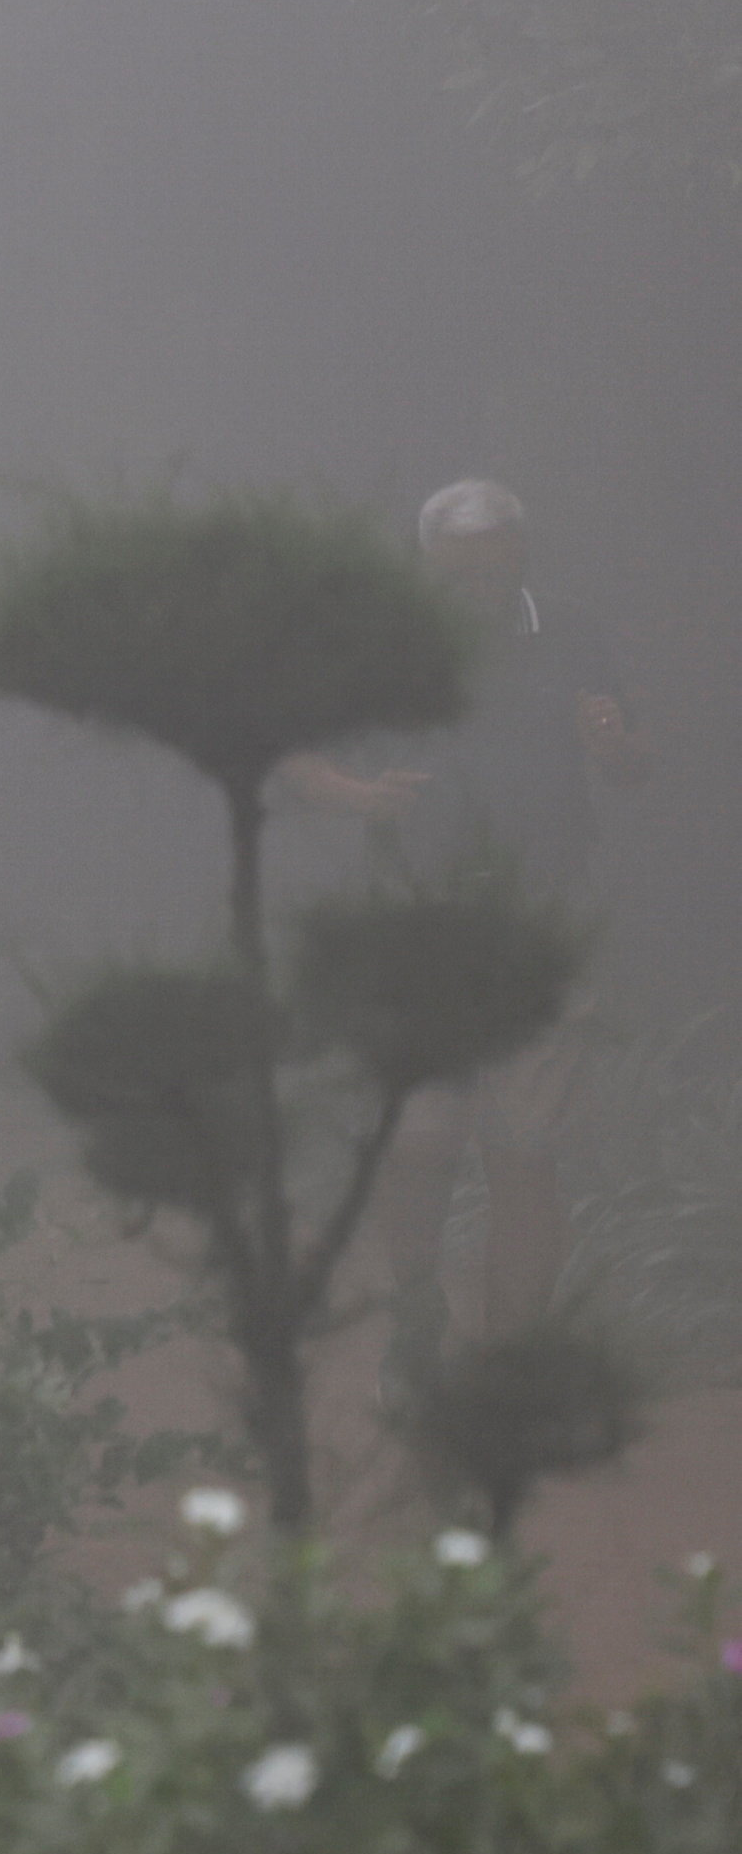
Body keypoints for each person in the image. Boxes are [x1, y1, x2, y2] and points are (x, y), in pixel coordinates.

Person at [280, 477, 646, 1367]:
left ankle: (508, 1360)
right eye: (454, 573)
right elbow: (294, 755)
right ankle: (415, 1321)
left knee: (522, 1151)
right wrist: (362, 796)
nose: (472, 589)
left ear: (518, 554)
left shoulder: (568, 631)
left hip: (539, 922)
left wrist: (615, 747)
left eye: (489, 569)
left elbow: (633, 761)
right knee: (419, 1142)